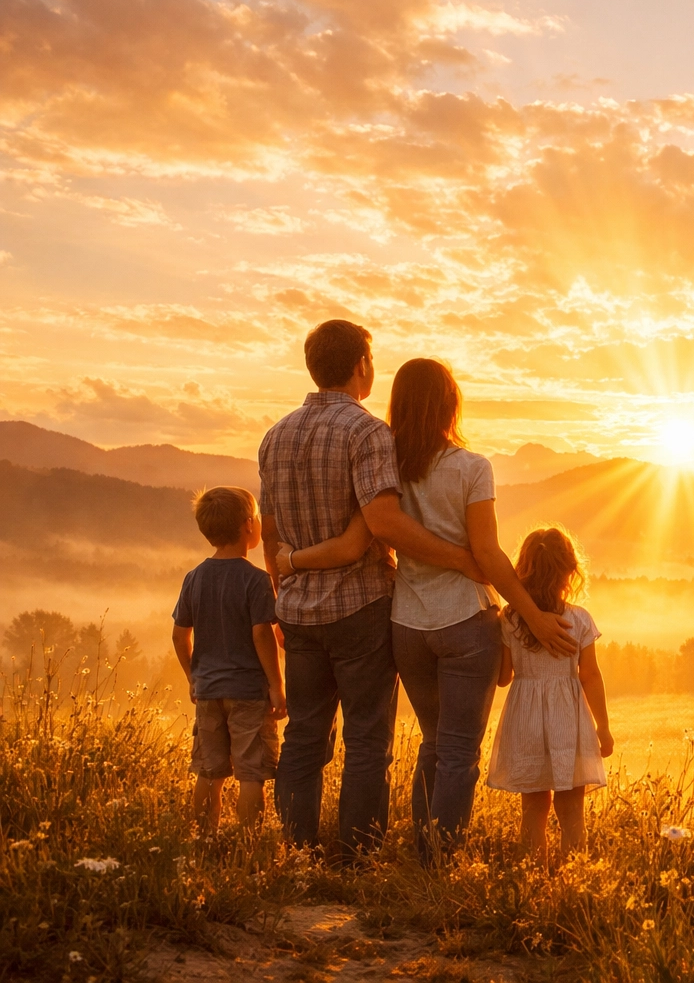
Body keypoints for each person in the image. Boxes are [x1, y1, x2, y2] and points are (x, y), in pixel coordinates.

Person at [277, 357, 580, 862]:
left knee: (434, 741)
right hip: (464, 622)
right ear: (450, 402)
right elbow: (486, 555)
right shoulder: (471, 467)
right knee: (459, 751)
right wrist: (530, 613)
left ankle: (405, 850)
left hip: (405, 624)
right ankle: (436, 859)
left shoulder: (386, 463)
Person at [485, 527, 614, 862]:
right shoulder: (578, 619)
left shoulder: (511, 620)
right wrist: (603, 727)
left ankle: (533, 879)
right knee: (572, 808)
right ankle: (572, 880)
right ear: (569, 572)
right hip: (568, 719)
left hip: (525, 718)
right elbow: (590, 677)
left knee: (533, 807)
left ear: (522, 569)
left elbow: (503, 678)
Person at [170, 486, 286, 833]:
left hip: (207, 691)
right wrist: (277, 687)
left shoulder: (194, 578)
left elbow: (179, 635)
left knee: (209, 770)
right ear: (250, 527)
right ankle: (248, 843)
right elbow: (261, 634)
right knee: (252, 772)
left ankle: (205, 838)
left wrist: (194, 678)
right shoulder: (256, 580)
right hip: (249, 691)